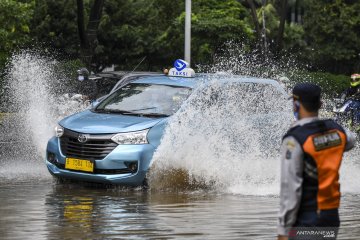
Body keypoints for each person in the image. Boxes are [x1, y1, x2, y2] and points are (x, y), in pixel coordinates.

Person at [277, 83, 356, 240]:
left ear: (296, 104)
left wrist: (283, 231)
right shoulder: (337, 130)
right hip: (331, 216)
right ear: (320, 104)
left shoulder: (295, 139)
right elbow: (350, 141)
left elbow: (290, 190)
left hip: (307, 218)